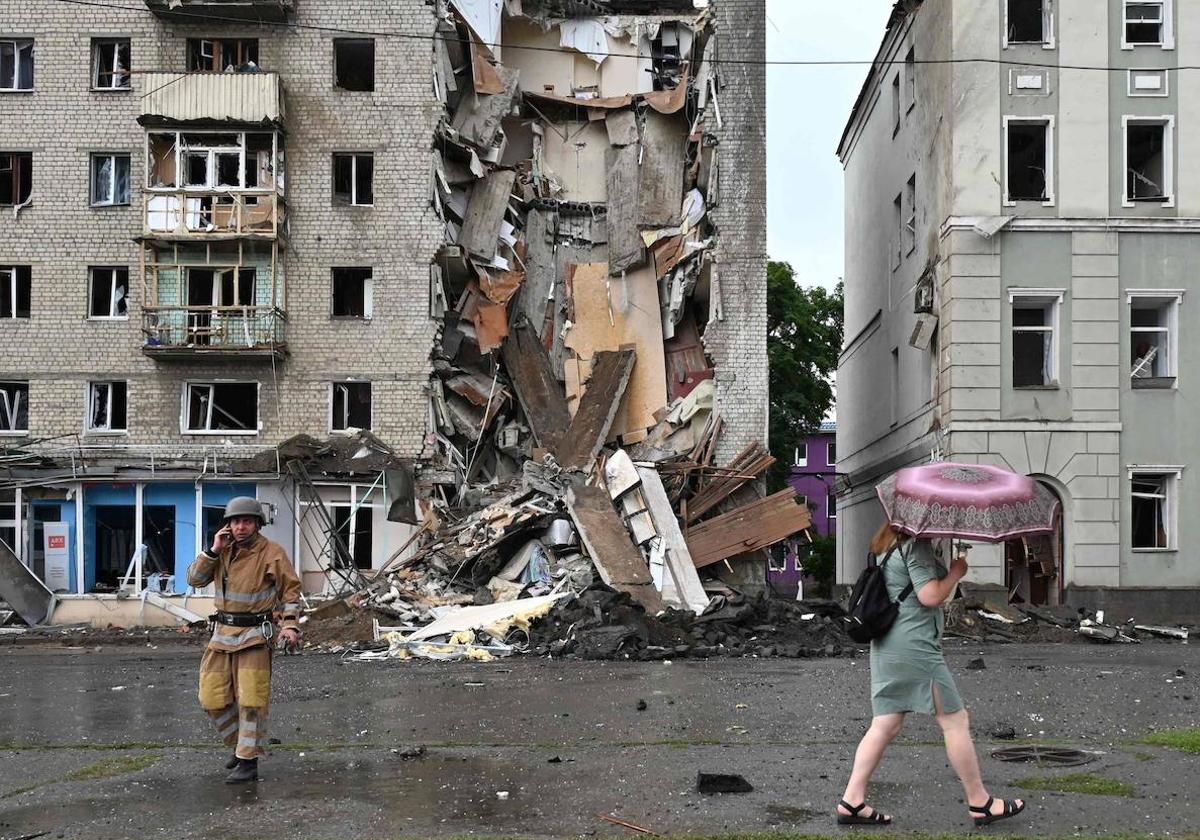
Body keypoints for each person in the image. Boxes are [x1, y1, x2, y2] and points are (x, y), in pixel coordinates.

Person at [836, 522, 1025, 828]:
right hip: (915, 648)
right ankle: (980, 802)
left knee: (886, 723)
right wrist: (956, 573)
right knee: (955, 720)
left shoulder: (885, 545)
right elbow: (929, 596)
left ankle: (852, 800)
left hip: (886, 645)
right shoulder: (916, 546)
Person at [186, 497, 302, 784]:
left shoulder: (272, 553)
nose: (240, 527)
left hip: (254, 637)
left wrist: (290, 626)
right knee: (211, 698)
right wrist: (213, 550)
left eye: (247, 521)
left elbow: (290, 592)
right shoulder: (221, 551)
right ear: (228, 525)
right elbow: (194, 580)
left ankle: (248, 763)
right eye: (236, 521)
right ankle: (240, 748)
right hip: (221, 636)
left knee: (251, 701)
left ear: (257, 524)